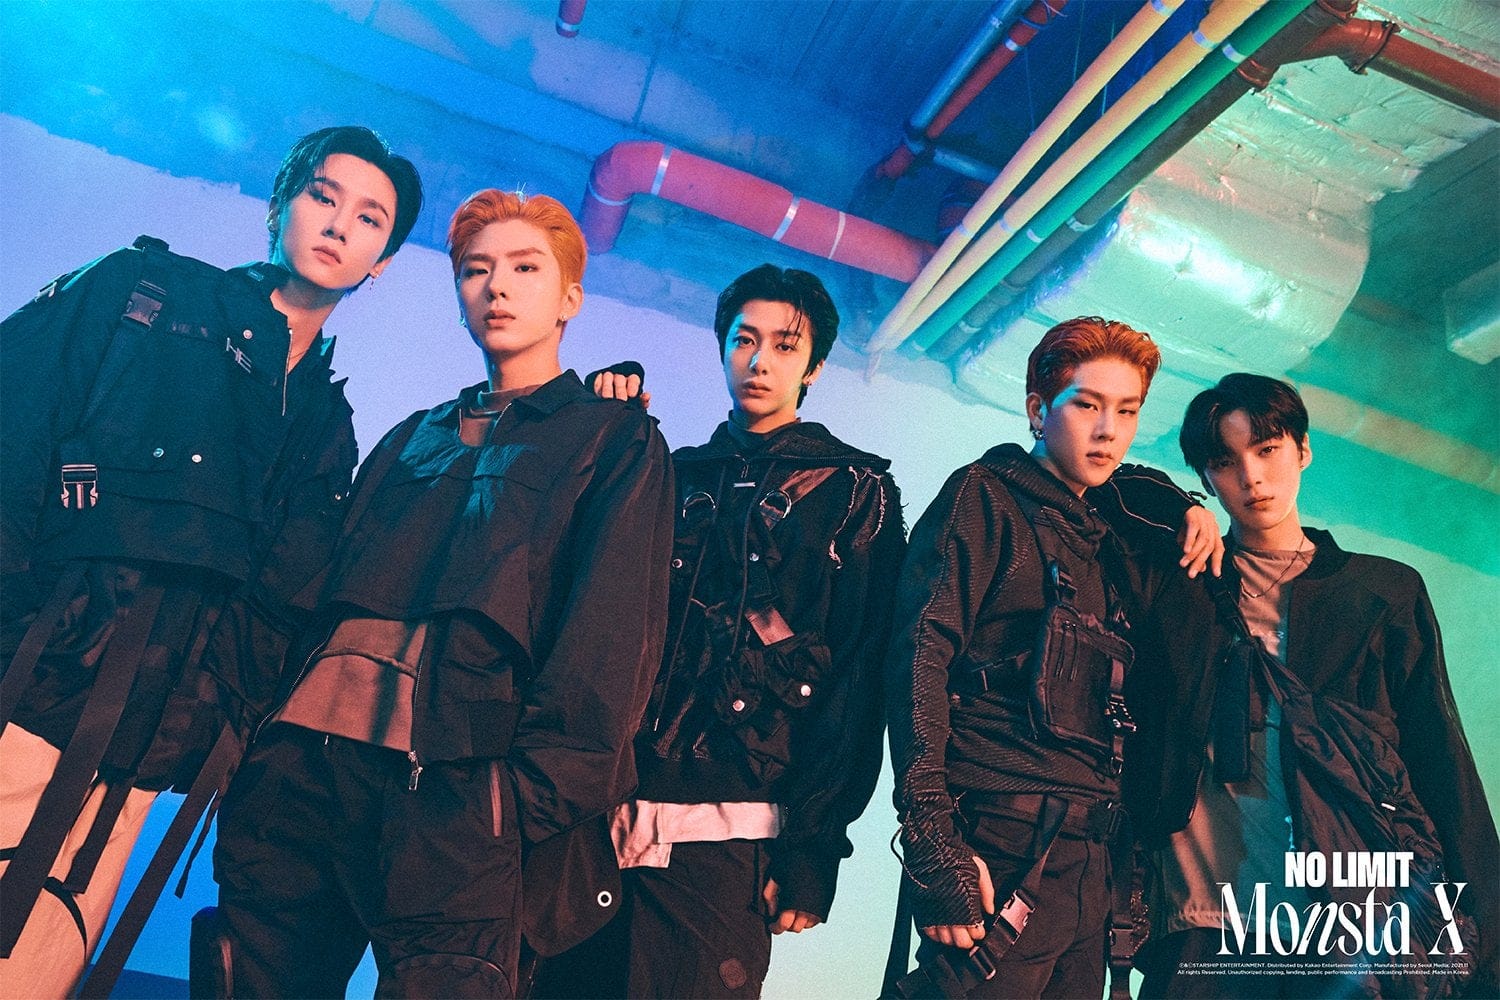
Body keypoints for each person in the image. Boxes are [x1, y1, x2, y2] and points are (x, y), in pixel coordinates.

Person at [207, 189, 675, 998]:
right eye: (475, 270)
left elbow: (608, 649)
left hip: (451, 802)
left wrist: (509, 805)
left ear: (569, 298)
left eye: (525, 268)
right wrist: (253, 745)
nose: (497, 287)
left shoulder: (611, 437)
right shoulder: (410, 437)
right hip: (296, 779)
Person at [0, 125, 422, 998]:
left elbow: (280, 608)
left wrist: (209, 732)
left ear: (382, 260)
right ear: (280, 204)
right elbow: (13, 436)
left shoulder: (326, 428)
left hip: (142, 762)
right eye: (323, 196)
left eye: (369, 217)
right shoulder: (145, 294)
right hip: (25, 700)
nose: (339, 224)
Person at [540, 263, 907, 999]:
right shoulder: (668, 473)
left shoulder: (853, 492)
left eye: (784, 345)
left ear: (814, 366)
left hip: (734, 837)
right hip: (599, 821)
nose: (759, 360)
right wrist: (603, 425)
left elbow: (858, 682)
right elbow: (577, 609)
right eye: (744, 339)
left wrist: (812, 854)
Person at [1125, 373, 1499, 998]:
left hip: (1342, 922)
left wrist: (1487, 948)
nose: (1251, 478)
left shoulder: (1381, 592)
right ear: (1208, 479)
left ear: (1303, 450)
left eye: (1267, 449)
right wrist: (1176, 506)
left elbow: (1441, 762)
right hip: (1201, 920)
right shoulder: (1180, 588)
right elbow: (1095, 481)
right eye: (1225, 462)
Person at [884, 316, 1221, 999]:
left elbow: (1133, 486)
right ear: (1039, 410)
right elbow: (919, 660)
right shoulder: (985, 498)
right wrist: (934, 843)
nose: (1109, 431)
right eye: (1087, 405)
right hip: (1003, 841)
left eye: (1127, 411)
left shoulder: (1104, 533)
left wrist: (1187, 506)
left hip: (1092, 859)